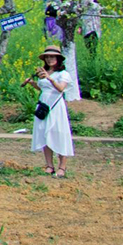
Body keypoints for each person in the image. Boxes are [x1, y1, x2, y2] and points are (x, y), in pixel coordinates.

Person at [30, 44, 77, 177]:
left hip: (56, 107)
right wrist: (32, 83)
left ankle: (62, 167)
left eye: (52, 57)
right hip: (43, 104)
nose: (50, 59)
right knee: (44, 133)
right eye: (48, 57)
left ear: (58, 59)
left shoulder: (63, 74)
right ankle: (49, 165)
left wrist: (49, 78)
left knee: (59, 133)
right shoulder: (44, 73)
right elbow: (43, 89)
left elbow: (60, 88)